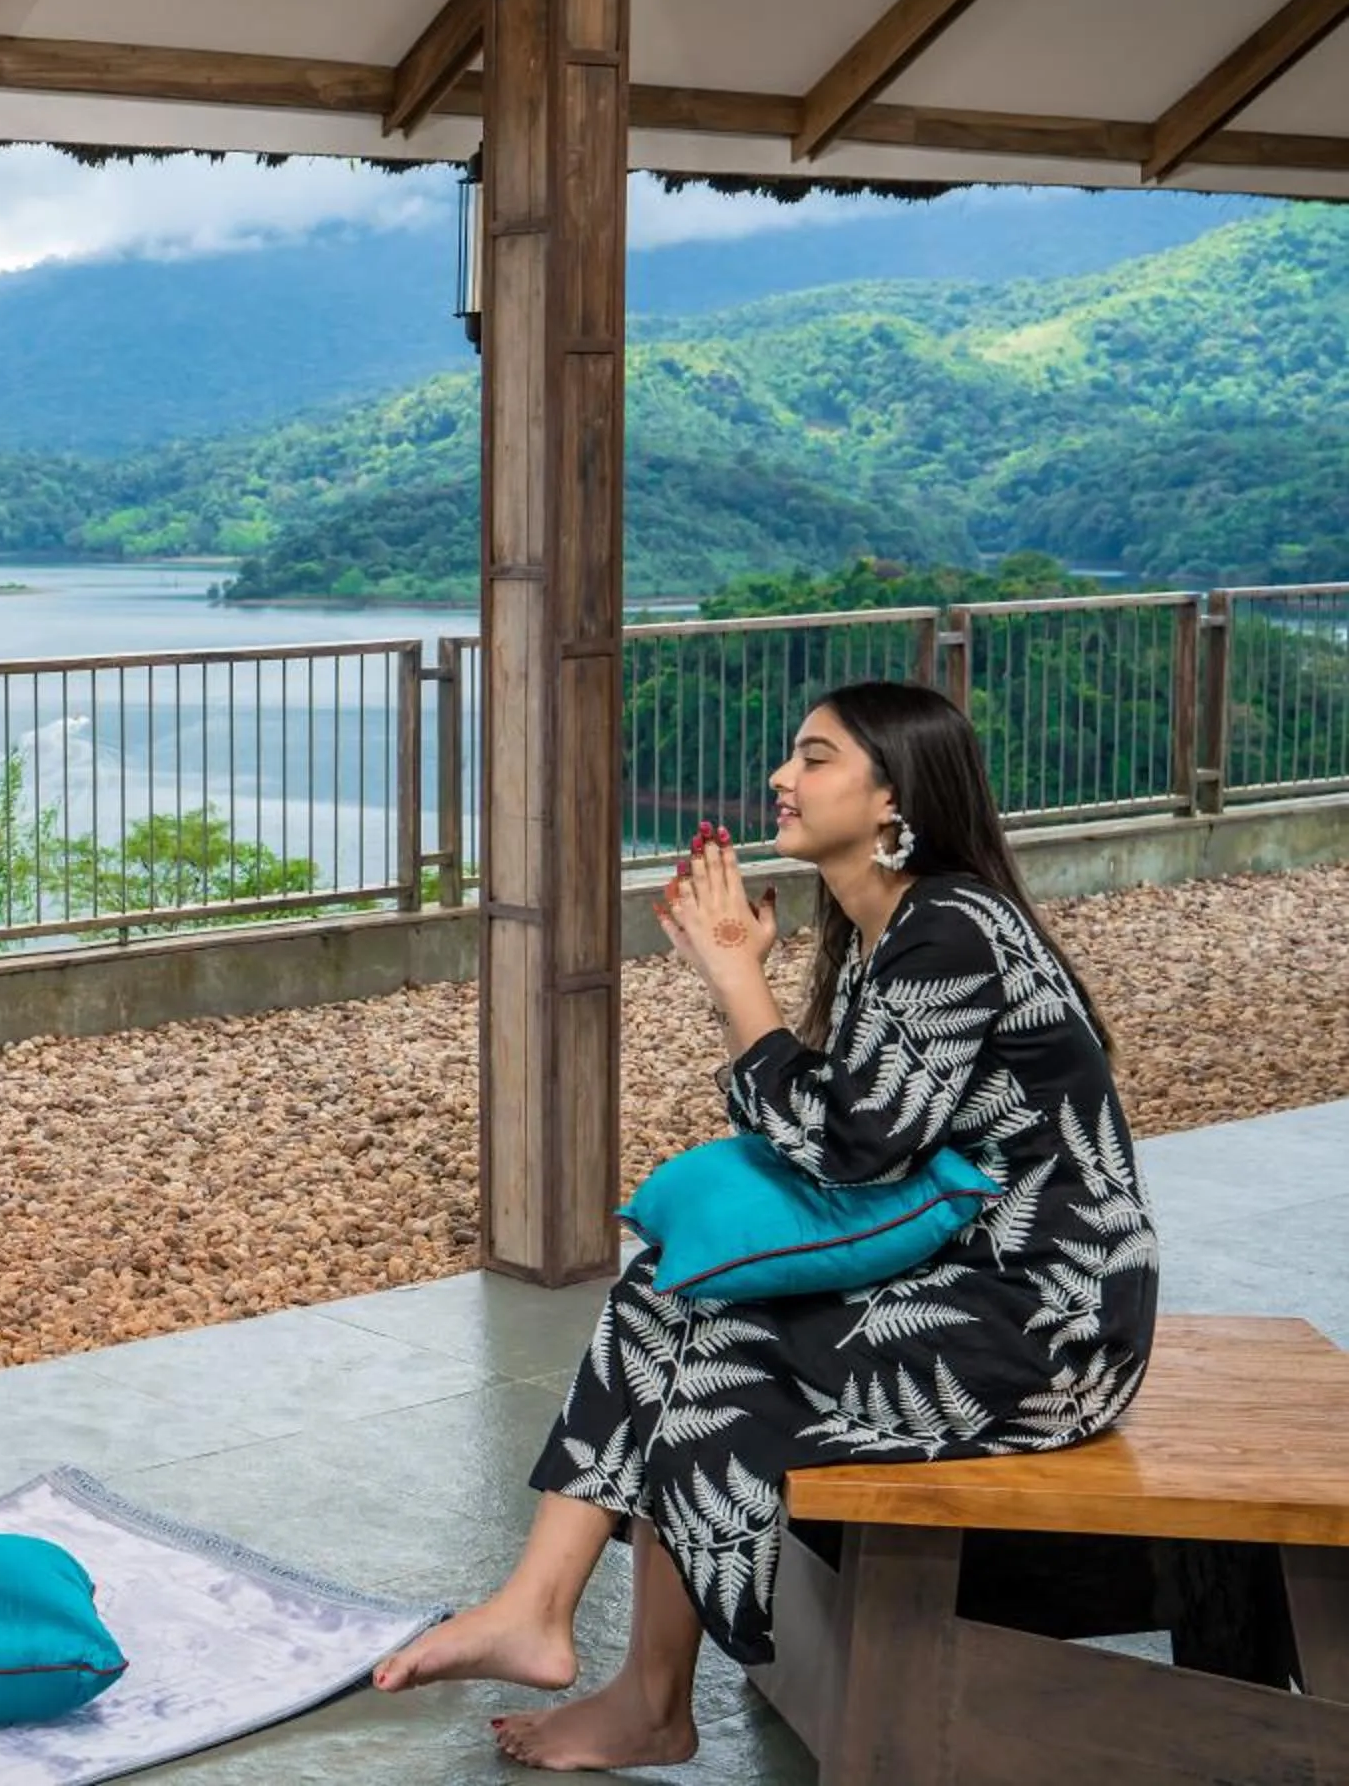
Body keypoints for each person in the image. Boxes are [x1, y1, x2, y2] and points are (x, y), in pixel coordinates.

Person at [374, 680, 1158, 1771]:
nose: (783, 777)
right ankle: (553, 1622)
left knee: (718, 1347)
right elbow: (827, 1133)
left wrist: (736, 973)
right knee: (671, 1293)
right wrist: (734, 978)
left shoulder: (952, 928)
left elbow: (850, 1149)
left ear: (894, 797)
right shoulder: (898, 933)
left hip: (1046, 1328)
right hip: (966, 1279)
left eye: (816, 757)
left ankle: (627, 1681)